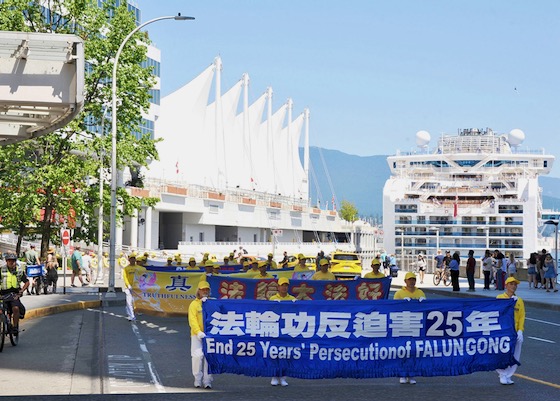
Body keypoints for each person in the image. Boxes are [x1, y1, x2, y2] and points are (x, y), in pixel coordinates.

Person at [393, 272, 426, 384]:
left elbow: (426, 309)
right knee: (402, 351)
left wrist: (423, 302)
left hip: (416, 326)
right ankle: (402, 374)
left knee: (414, 352)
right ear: (405, 281)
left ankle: (411, 375)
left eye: (413, 279)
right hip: (403, 325)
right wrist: (401, 303)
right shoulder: (399, 293)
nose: (411, 282)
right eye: (409, 280)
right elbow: (392, 309)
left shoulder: (420, 292)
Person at [496, 277, 525, 385]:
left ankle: (508, 374)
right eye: (511, 284)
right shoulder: (499, 298)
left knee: (514, 354)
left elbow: (521, 317)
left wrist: (520, 330)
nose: (514, 286)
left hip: (515, 332)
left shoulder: (519, 300)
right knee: (503, 353)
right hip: (503, 331)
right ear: (506, 285)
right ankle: (502, 374)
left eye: (515, 284)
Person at [269, 277, 295, 386]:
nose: (284, 287)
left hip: (287, 330)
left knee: (286, 354)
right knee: (274, 354)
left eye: (286, 285)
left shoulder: (293, 299)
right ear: (278, 287)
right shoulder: (272, 299)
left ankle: (283, 377)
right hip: (275, 329)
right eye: (282, 285)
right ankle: (274, 376)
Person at [188, 281, 213, 389]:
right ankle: (197, 379)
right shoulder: (194, 304)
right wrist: (198, 332)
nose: (205, 291)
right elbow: (192, 320)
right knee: (197, 356)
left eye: (207, 289)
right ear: (198, 290)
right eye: (203, 289)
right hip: (197, 335)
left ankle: (207, 381)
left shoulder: (212, 303)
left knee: (209, 359)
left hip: (210, 335)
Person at [0, 253, 30, 335]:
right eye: (9, 261)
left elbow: (27, 282)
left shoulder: (19, 271)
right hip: (3, 293)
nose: (11, 263)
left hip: (14, 294)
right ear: (6, 261)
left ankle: (15, 326)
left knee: (16, 308)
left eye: (13, 261)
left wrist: (22, 291)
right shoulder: (2, 270)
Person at [123, 254, 147, 321]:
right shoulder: (126, 269)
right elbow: (125, 278)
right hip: (129, 288)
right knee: (129, 302)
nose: (132, 260)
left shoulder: (139, 268)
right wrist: (128, 285)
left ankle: (135, 312)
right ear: (129, 260)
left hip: (137, 288)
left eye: (134, 258)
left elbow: (145, 273)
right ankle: (131, 316)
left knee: (135, 302)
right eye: (131, 259)